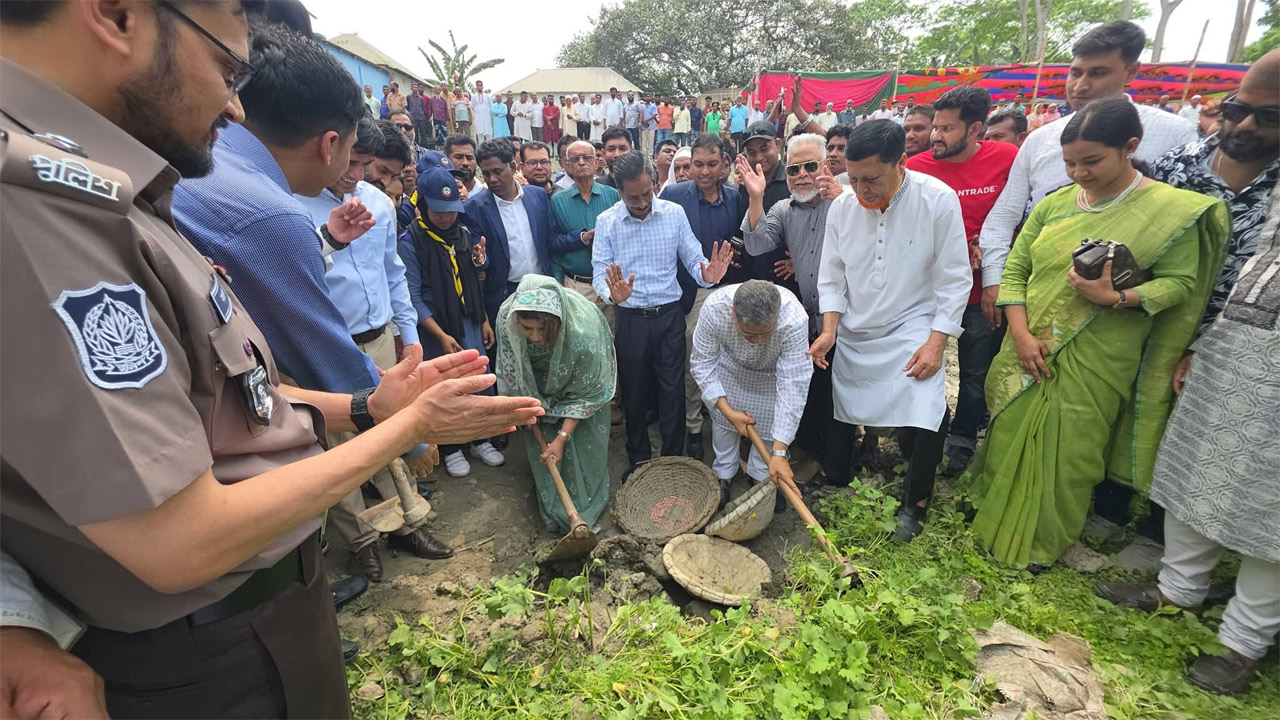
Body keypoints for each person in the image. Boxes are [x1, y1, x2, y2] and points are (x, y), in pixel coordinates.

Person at [0, 2, 542, 715]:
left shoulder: (119, 182)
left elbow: (226, 391)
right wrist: (405, 431)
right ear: (116, 15)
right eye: (227, 69)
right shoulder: (43, 210)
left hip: (260, 603)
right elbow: (179, 542)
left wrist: (365, 405)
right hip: (202, 642)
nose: (234, 108)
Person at [963, 97, 1230, 568]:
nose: (1078, 173)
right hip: (1028, 342)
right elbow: (1019, 267)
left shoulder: (1168, 211)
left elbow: (1183, 283)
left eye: (1091, 161)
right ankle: (989, 506)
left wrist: (1117, 299)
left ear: (1129, 147)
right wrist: (1021, 335)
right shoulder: (1057, 204)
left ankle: (1043, 542)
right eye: (1069, 163)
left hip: (1102, 348)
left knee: (1075, 449)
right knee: (1007, 428)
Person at [1093, 191, 1280, 697]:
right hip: (1233, 357)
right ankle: (1179, 591)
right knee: (1196, 472)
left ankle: (1244, 643)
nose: (1241, 124)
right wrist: (1203, 345)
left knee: (1273, 514)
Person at [977, 21, 1198, 349]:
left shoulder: (1174, 135)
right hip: (1035, 299)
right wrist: (995, 282)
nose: (1080, 85)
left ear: (1130, 71)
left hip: (1121, 316)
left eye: (1097, 73)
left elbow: (1181, 240)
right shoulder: (1040, 140)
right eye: (1075, 72)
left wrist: (1124, 297)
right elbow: (1004, 217)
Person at [809, 120, 970, 542]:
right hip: (858, 324)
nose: (860, 189)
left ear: (902, 162)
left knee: (924, 403)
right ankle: (839, 474)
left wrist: (937, 342)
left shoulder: (938, 201)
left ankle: (915, 503)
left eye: (872, 179)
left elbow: (955, 279)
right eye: (854, 178)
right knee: (843, 401)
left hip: (913, 322)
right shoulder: (843, 207)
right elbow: (832, 277)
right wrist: (830, 330)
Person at [592, 152, 733, 471]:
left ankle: (672, 460)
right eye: (633, 197)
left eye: (646, 194)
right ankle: (638, 459)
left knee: (673, 393)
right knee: (635, 392)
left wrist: (707, 275)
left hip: (669, 318)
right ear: (619, 192)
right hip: (630, 320)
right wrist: (610, 294)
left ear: (655, 183)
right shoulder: (608, 221)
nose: (642, 203)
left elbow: (694, 257)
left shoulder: (673, 214)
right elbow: (600, 268)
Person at [906, 87, 1019, 477]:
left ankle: (963, 438)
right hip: (926, 291)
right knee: (921, 362)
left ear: (975, 129)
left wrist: (993, 268)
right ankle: (925, 433)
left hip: (980, 292)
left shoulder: (1006, 160)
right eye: (935, 127)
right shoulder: (917, 167)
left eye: (946, 129)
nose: (935, 136)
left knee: (975, 371)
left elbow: (1016, 218)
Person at [740, 134, 852, 484]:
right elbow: (757, 244)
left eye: (810, 166)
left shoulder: (847, 200)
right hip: (812, 318)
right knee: (815, 390)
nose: (801, 175)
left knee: (845, 393)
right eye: (793, 168)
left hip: (851, 318)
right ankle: (818, 458)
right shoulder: (784, 209)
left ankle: (840, 469)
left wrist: (848, 201)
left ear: (826, 166)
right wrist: (755, 198)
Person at [1149, 49, 1280, 337]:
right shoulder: (1175, 167)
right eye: (1238, 110)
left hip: (1241, 358)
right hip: (1147, 337)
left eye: (1269, 117)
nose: (1246, 124)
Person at [397, 165, 508, 478]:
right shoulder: (411, 243)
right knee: (446, 388)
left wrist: (484, 320)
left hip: (469, 321)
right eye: (439, 212)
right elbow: (413, 297)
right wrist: (441, 335)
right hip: (436, 329)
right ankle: (450, 448)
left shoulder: (463, 234)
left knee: (479, 379)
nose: (447, 218)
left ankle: (480, 439)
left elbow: (473, 281)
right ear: (423, 208)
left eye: (451, 211)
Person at [497, 275, 617, 530]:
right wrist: (528, 408)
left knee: (583, 444)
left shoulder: (584, 332)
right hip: (538, 381)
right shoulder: (508, 318)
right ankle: (556, 511)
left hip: (580, 380)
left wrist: (562, 437)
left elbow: (588, 394)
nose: (535, 337)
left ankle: (585, 508)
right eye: (527, 329)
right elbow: (515, 371)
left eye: (543, 329)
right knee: (544, 447)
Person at [660, 133, 748, 460]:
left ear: (723, 164)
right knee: (694, 360)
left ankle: (727, 420)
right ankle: (693, 426)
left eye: (712, 164)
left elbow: (741, 237)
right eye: (698, 164)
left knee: (728, 359)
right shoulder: (673, 195)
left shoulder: (735, 196)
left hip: (727, 292)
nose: (704, 171)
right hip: (692, 292)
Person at [691, 280, 812, 509]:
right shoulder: (714, 308)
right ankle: (723, 474)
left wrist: (779, 452)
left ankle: (761, 476)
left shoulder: (793, 319)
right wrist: (728, 411)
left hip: (772, 377)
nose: (758, 341)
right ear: (732, 314)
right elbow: (703, 364)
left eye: (766, 334)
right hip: (730, 372)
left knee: (768, 432)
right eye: (749, 334)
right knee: (724, 429)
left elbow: (793, 384)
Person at [463, 139, 570, 331]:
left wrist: (580, 238)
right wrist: (479, 258)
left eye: (497, 171)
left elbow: (551, 241)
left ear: (512, 166)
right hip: (505, 294)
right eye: (486, 174)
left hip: (542, 288)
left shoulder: (537, 196)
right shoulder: (474, 208)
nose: (492, 179)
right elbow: (480, 258)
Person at [551, 140, 623, 318]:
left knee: (611, 339)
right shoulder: (558, 200)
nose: (581, 162)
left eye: (586, 157)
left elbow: (623, 240)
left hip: (610, 284)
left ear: (597, 161)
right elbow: (553, 243)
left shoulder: (613, 195)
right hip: (576, 285)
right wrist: (558, 280)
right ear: (567, 165)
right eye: (575, 159)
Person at [408, 82, 430, 147]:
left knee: (423, 133)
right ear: (411, 88)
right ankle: (416, 146)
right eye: (413, 87)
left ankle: (425, 147)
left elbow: (423, 108)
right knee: (415, 133)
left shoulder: (421, 98)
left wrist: (422, 114)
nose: (415, 88)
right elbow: (408, 107)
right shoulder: (408, 97)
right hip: (413, 118)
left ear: (417, 89)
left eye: (416, 87)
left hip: (421, 117)